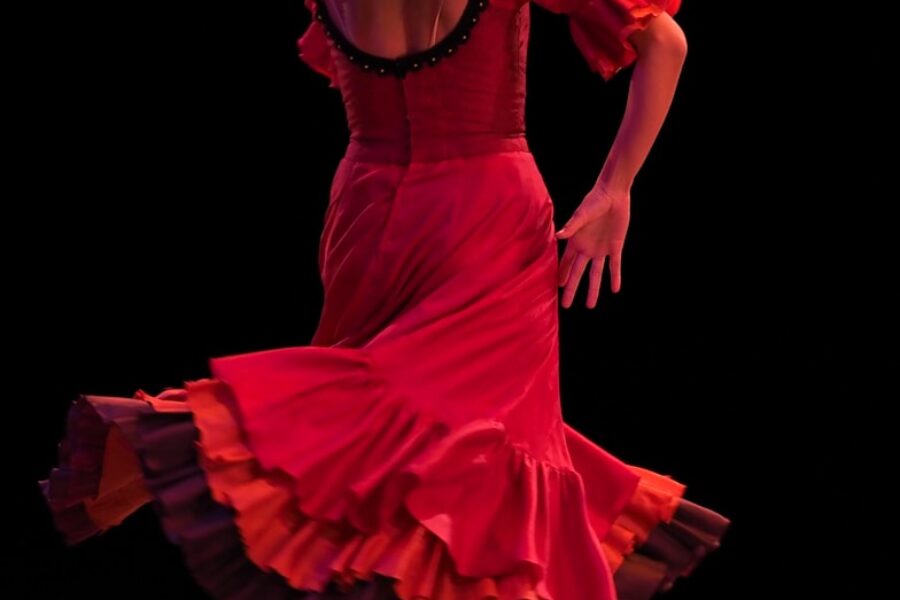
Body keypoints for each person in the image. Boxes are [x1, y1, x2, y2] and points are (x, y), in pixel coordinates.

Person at [38, 1, 731, 599]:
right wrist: (614, 189)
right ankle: (199, 429)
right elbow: (664, 41)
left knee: (376, 466)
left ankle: (213, 435)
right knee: (482, 454)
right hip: (482, 209)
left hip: (366, 212)